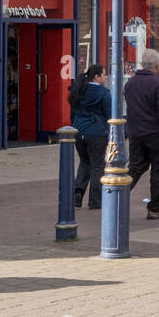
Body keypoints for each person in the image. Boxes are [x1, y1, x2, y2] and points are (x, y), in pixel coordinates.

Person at [125, 48, 159, 220]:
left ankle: (117, 195)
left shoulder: (130, 83)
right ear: (157, 65)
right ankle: (155, 207)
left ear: (141, 64)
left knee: (135, 167)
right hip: (156, 133)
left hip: (136, 133)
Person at [67, 64, 109, 210]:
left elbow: (72, 114)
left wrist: (75, 126)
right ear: (97, 77)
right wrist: (110, 134)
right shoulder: (104, 93)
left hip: (79, 131)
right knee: (98, 166)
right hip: (97, 133)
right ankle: (95, 201)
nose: (105, 77)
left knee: (85, 162)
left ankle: (77, 193)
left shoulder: (79, 91)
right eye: (104, 75)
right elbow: (109, 116)